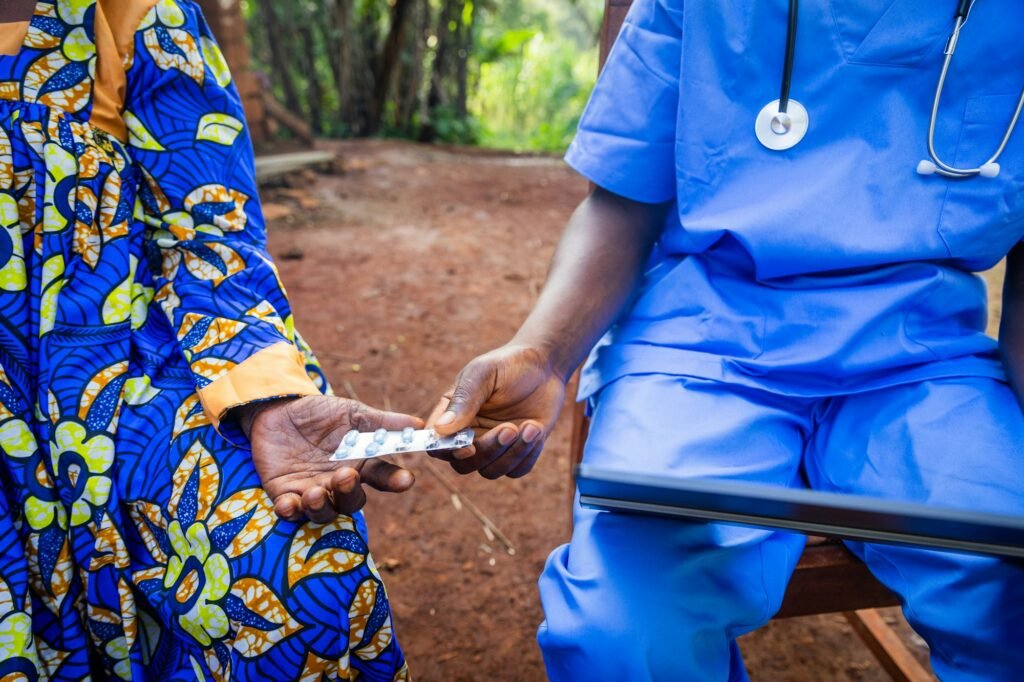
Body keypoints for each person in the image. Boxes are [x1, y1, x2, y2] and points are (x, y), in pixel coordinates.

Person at [432, 1, 1024, 679]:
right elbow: (625, 197)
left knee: (1008, 575)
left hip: (922, 359)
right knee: (622, 627)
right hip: (701, 343)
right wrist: (545, 353)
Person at [0, 0, 416, 679]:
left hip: (119, 385)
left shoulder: (131, 14)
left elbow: (212, 241)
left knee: (300, 572)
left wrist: (269, 396)